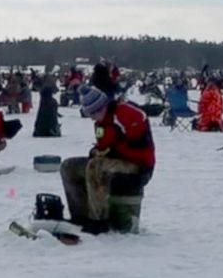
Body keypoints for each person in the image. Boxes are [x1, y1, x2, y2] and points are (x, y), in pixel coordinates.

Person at [60, 86, 155, 234]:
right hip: (113, 162)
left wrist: (113, 150)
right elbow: (103, 146)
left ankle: (98, 220)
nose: (91, 118)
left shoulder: (126, 114)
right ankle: (80, 216)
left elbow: (139, 146)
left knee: (95, 166)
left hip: (139, 166)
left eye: (92, 113)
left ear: (100, 108)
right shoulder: (100, 123)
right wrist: (96, 151)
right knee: (69, 166)